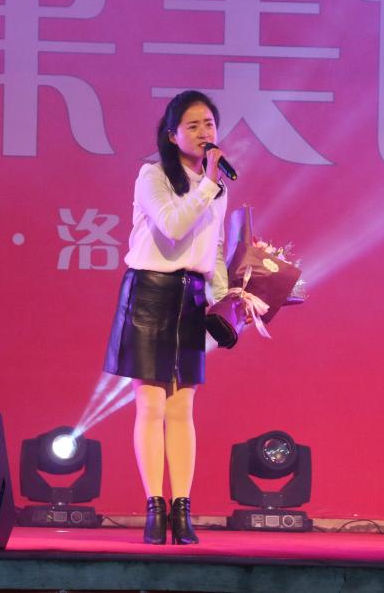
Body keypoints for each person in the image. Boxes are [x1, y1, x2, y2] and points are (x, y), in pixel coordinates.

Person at [102, 90, 229, 545]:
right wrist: (208, 185)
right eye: (193, 125)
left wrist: (227, 299)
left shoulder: (217, 187)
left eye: (209, 124)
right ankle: (154, 508)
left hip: (191, 295)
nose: (204, 132)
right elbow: (173, 227)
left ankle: (183, 509)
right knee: (152, 405)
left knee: (182, 409)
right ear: (173, 135)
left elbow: (213, 249)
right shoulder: (152, 176)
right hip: (151, 293)